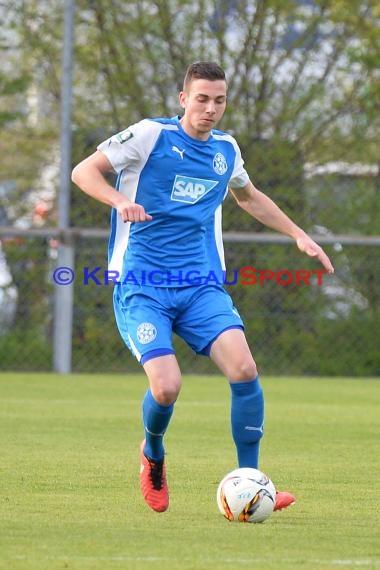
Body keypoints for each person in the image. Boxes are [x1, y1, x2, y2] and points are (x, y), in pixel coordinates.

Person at [72, 61, 334, 514]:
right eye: (202, 99)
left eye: (219, 100)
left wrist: (298, 234)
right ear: (183, 99)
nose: (210, 109)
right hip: (143, 285)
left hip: (200, 287)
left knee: (245, 369)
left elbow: (248, 196)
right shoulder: (149, 136)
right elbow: (83, 172)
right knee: (167, 388)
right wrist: (120, 201)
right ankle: (152, 453)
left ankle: (252, 479)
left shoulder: (226, 151)